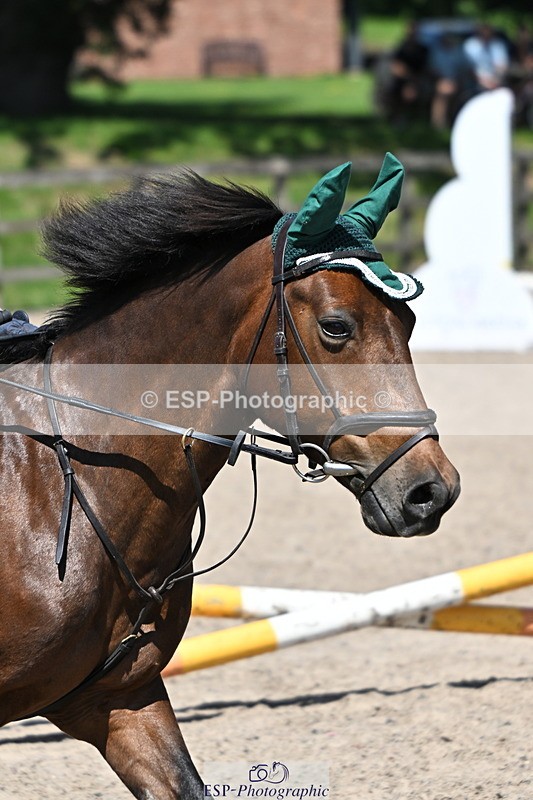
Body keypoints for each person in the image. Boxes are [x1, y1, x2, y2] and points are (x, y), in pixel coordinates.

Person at [387, 21, 430, 121]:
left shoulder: (423, 49)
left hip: (419, 79)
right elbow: (395, 66)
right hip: (403, 80)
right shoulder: (402, 48)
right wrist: (408, 77)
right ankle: (398, 117)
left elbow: (426, 68)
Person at [429, 33, 473, 129]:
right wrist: (443, 80)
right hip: (439, 80)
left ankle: (454, 121)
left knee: (452, 90)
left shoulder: (458, 52)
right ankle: (438, 123)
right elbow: (432, 71)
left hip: (457, 81)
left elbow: (464, 69)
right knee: (444, 91)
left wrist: (456, 81)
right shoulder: (437, 53)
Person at [463, 23, 509, 91]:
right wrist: (483, 82)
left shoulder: (498, 44)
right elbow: (469, 68)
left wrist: (496, 80)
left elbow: (502, 65)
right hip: (475, 81)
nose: (486, 35)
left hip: (496, 81)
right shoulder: (470, 45)